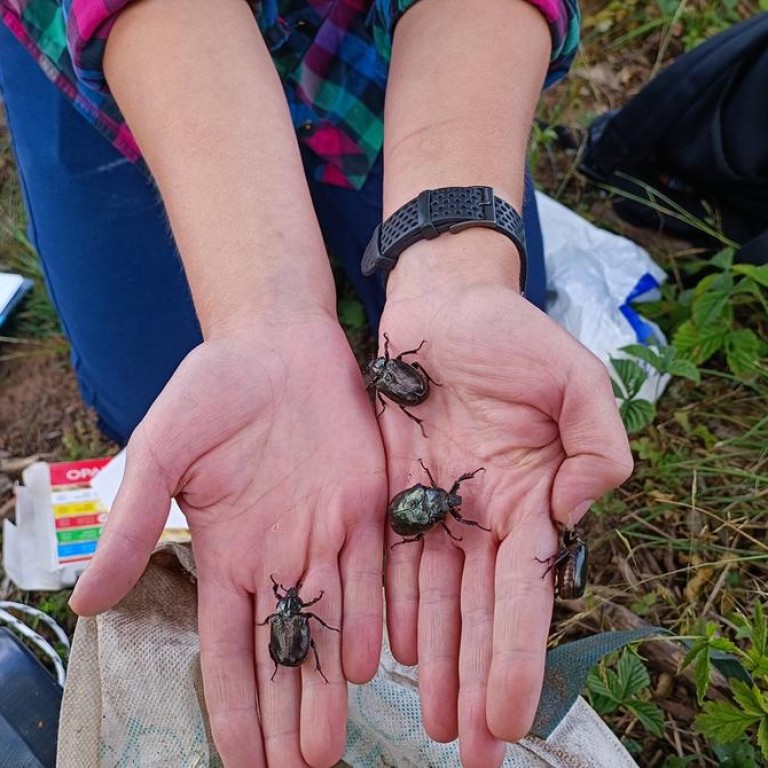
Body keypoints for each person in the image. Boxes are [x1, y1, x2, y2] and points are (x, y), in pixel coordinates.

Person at [0, 0, 633, 765]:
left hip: (380, 49)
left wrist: (460, 269)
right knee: (140, 393)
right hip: (128, 37)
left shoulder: (422, 498)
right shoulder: (410, 513)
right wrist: (261, 309)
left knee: (494, 300)